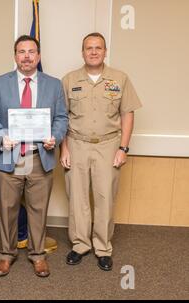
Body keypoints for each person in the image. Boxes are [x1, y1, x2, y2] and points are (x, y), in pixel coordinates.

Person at [0, 35, 68, 278]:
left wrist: (56, 136)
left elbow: (62, 117)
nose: (27, 56)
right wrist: (0, 136)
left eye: (31, 52)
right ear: (15, 56)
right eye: (22, 52)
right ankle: (6, 254)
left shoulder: (53, 84)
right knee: (7, 208)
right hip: (9, 155)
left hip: (39, 156)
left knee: (38, 209)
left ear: (38, 56)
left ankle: (38, 255)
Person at [60, 32, 142, 271]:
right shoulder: (69, 80)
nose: (93, 52)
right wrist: (63, 148)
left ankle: (103, 247)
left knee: (105, 198)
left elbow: (128, 113)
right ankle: (80, 245)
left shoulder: (120, 79)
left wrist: (123, 148)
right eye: (88, 48)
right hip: (76, 144)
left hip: (108, 145)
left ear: (105, 52)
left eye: (98, 48)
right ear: (82, 52)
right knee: (77, 198)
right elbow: (61, 117)